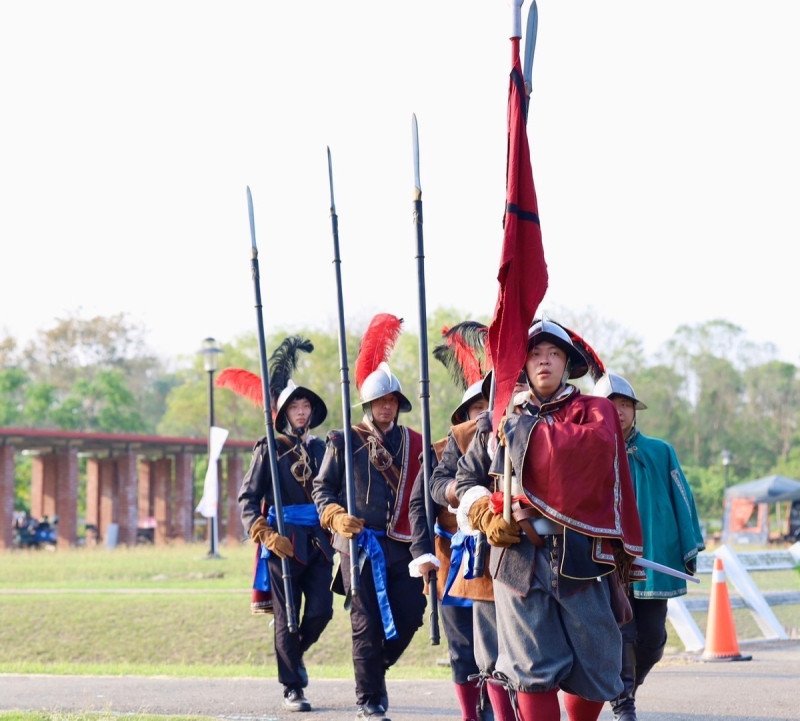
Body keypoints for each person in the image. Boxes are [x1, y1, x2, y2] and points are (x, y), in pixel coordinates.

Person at [454, 319, 644, 721]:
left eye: (553, 354)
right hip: (516, 556)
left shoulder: (594, 410)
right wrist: (483, 511)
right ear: (522, 364)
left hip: (580, 557)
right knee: (531, 670)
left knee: (597, 664)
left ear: (566, 363)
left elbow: (589, 453)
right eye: (535, 354)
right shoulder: (499, 417)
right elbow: (465, 479)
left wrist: (525, 429)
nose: (544, 361)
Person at [313, 313, 426, 721]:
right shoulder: (343, 439)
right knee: (366, 626)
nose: (386, 407)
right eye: (380, 401)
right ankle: (369, 699)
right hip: (359, 547)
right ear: (368, 404)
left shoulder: (414, 443)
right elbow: (321, 489)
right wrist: (335, 515)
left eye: (392, 401)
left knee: (412, 615)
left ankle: (374, 674)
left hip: (403, 546)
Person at [593, 372, 705, 721]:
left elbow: (682, 499)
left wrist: (688, 547)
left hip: (653, 557)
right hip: (609, 559)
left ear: (634, 411)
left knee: (653, 641)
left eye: (625, 404)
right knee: (622, 634)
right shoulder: (587, 451)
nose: (620, 411)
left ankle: (626, 689)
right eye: (611, 405)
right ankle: (624, 705)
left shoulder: (660, 451)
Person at [234, 336, 335, 713]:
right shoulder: (269, 449)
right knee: (287, 615)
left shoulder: (324, 449)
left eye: (306, 403)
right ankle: (292, 685)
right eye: (295, 404)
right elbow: (246, 500)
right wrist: (264, 534)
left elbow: (335, 495)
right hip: (281, 541)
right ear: (283, 411)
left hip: (320, 541)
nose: (302, 410)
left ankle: (293, 654)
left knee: (321, 611)